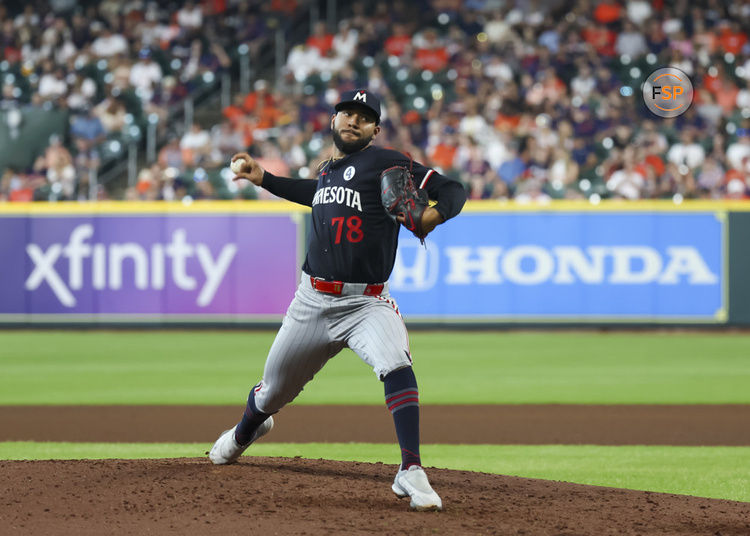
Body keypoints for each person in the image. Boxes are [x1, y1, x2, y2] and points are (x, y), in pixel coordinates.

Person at [208, 89, 466, 511]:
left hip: (367, 303)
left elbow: (452, 189)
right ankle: (243, 433)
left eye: (363, 117)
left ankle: (411, 469)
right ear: (333, 121)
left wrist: (432, 215)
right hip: (312, 301)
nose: (353, 120)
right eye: (346, 112)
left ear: (375, 129)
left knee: (396, 363)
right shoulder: (328, 171)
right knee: (271, 391)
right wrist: (264, 179)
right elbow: (315, 194)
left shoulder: (388, 161)